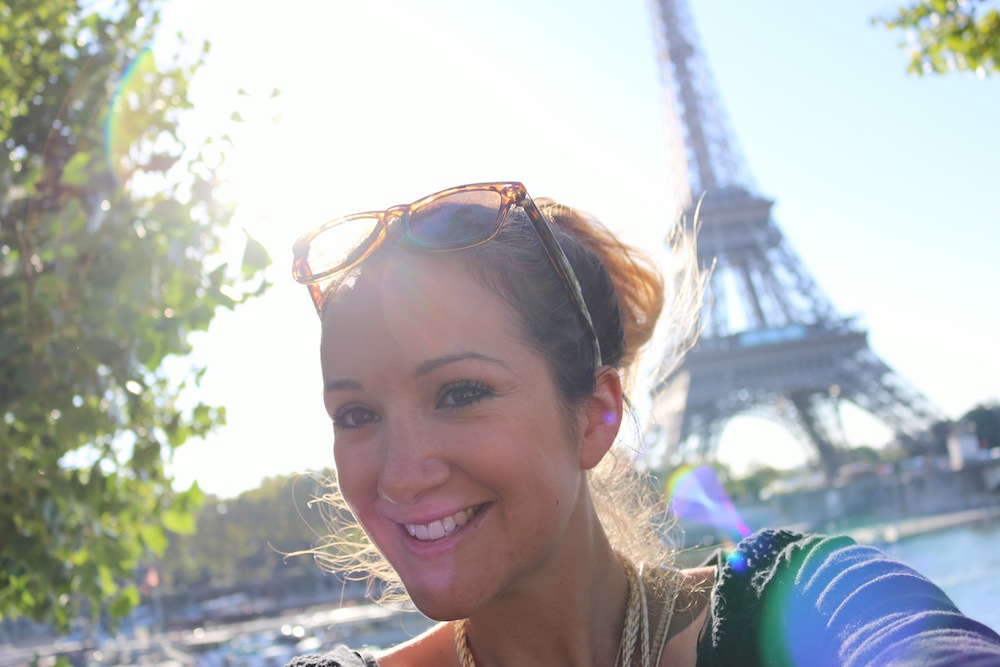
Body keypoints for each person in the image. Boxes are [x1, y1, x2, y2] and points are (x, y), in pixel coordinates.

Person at [287, 182, 1000, 667]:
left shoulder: (815, 596)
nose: (400, 472)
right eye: (356, 414)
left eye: (460, 391)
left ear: (596, 413)